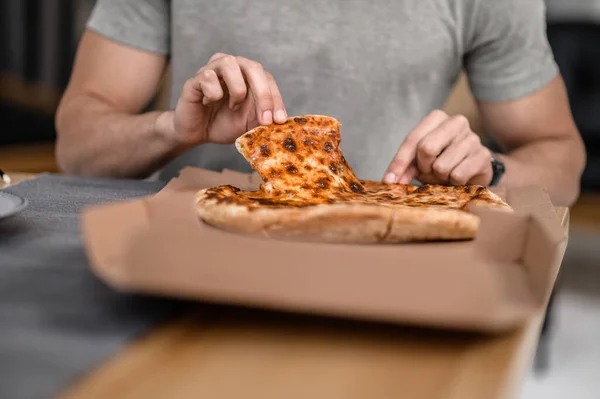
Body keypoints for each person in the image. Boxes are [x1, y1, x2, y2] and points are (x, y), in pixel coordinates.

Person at [55, 0, 586, 206]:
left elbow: (561, 161)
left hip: (387, 265)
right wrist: (174, 128)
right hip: (192, 250)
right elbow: (77, 149)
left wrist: (487, 171)